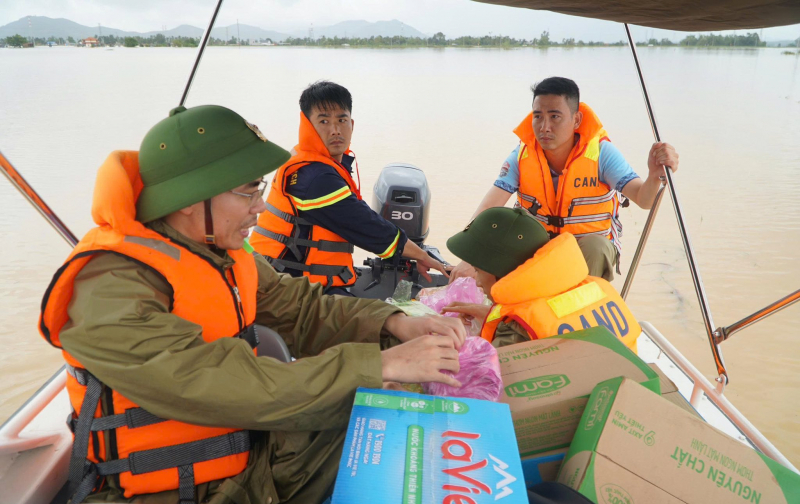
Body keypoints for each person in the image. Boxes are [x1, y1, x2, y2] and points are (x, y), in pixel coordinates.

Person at [39, 104, 466, 504]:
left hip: (244, 461)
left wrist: (392, 322)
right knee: (376, 392)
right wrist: (380, 365)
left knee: (388, 409)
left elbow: (300, 307)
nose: (261, 207)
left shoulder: (219, 250)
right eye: (247, 192)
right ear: (191, 199)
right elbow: (220, 382)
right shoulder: (110, 289)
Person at [450, 76, 679, 282]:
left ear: (576, 120)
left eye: (555, 117)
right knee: (502, 239)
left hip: (587, 252)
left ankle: (582, 316)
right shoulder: (522, 156)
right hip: (537, 248)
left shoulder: (602, 154)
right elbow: (490, 206)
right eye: (537, 116)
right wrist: (470, 258)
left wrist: (653, 174)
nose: (544, 127)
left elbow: (643, 199)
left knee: (595, 244)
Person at [249, 81, 449, 296]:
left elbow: (357, 215)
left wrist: (412, 253)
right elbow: (366, 227)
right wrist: (422, 256)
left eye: (341, 120)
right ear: (307, 125)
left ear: (351, 124)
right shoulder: (314, 177)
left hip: (297, 283)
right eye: (324, 121)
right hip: (282, 289)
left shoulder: (314, 161)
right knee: (385, 322)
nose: (335, 130)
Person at [442, 207, 641, 352]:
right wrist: (491, 315)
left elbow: (484, 382)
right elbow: (553, 316)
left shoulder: (518, 331)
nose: (476, 282)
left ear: (499, 272)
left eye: (478, 271)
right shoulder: (597, 288)